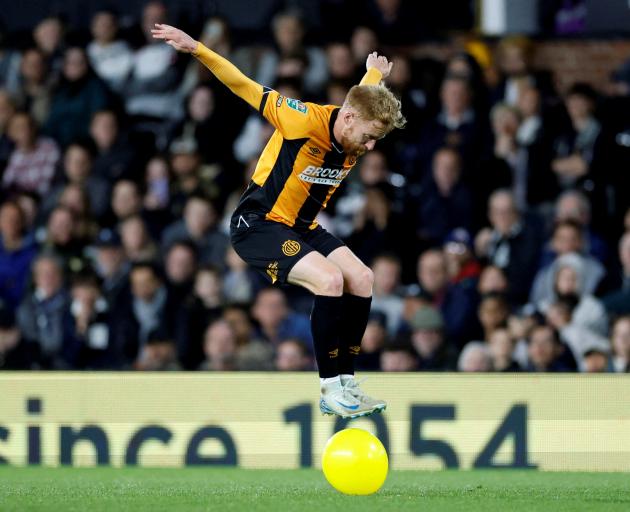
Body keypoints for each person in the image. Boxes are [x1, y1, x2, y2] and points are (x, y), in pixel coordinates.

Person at [152, 23, 405, 418]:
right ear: (351, 119)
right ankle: (328, 387)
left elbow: (361, 99)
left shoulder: (356, 120)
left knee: (363, 278)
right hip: (258, 224)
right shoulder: (302, 120)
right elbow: (245, 85)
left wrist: (374, 75)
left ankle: (347, 383)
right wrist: (197, 48)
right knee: (330, 280)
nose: (371, 147)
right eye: (370, 136)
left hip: (300, 226)